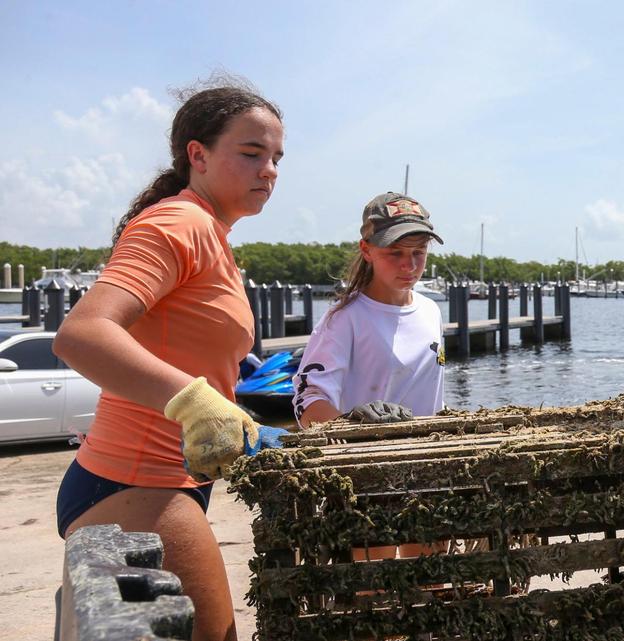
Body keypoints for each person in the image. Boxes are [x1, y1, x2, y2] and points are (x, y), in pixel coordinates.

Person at [53, 83, 286, 641]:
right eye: (251, 152)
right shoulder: (178, 223)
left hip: (153, 482)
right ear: (196, 155)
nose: (269, 170)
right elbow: (82, 333)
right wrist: (194, 401)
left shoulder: (212, 232)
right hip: (138, 482)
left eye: (277, 158)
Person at [292, 192, 446, 560]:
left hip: (430, 468)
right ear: (367, 250)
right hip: (366, 479)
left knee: (434, 578)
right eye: (395, 253)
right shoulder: (344, 318)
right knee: (372, 588)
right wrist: (349, 427)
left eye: (418, 253)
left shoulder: (431, 312)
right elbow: (307, 400)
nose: (408, 264)